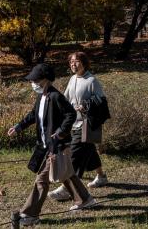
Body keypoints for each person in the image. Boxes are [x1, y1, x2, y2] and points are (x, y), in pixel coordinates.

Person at [8, 63, 96, 226]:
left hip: (58, 146)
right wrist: (18, 127)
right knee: (66, 173)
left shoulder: (56, 96)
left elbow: (70, 114)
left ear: (46, 80)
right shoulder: (41, 97)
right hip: (45, 146)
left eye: (35, 80)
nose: (32, 83)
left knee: (42, 179)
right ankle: (85, 199)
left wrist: (61, 132)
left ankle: (30, 214)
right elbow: (33, 115)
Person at [48, 52, 109, 202]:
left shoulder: (91, 80)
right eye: (71, 62)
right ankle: (101, 177)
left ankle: (66, 189)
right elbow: (66, 98)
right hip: (73, 124)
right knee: (89, 150)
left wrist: (86, 105)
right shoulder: (72, 79)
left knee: (75, 154)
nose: (73, 65)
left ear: (84, 63)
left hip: (86, 124)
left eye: (77, 61)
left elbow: (101, 99)